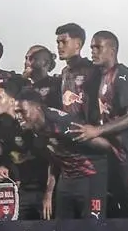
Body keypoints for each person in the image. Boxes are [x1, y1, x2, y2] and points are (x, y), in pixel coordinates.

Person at [78, 30, 128, 217]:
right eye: (91, 47)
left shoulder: (123, 75)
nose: (93, 51)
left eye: (98, 47)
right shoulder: (100, 77)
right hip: (117, 152)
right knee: (126, 207)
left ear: (112, 50)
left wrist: (97, 130)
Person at [14, 87, 114, 220]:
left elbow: (106, 145)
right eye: (16, 112)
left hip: (90, 176)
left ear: (37, 108)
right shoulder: (34, 128)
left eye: (22, 111)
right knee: (62, 226)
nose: (18, 116)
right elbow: (53, 157)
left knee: (93, 227)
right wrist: (49, 192)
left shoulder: (63, 123)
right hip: (66, 177)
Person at [0, 77, 51, 219]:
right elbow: (9, 153)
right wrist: (4, 166)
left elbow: (51, 158)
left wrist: (49, 192)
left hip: (44, 189)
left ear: (12, 101)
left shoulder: (34, 122)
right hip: (22, 190)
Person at [55, 22, 101, 125]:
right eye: (58, 42)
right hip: (69, 129)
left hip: (90, 128)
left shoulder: (92, 69)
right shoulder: (64, 72)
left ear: (78, 44)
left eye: (64, 42)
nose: (59, 46)